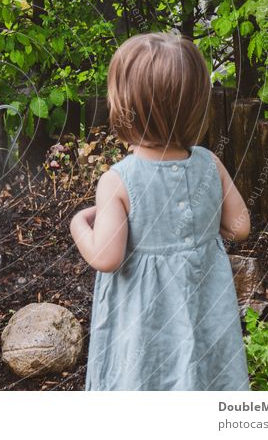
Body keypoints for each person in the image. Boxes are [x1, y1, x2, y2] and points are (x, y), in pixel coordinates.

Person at [69, 32, 251, 391]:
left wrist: (78, 224)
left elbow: (106, 257)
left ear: (125, 108)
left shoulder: (118, 181)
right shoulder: (210, 164)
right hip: (203, 311)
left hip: (145, 324)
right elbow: (240, 226)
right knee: (201, 372)